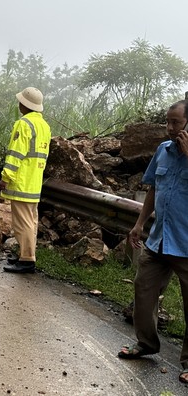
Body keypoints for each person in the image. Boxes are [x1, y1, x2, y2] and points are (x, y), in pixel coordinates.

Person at [117, 99, 188, 385]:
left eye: (176, 123)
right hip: (159, 240)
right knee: (142, 292)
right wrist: (139, 224)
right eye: (167, 122)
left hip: (186, 245)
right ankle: (146, 343)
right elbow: (153, 189)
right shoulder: (162, 151)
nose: (170, 128)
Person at [0, 87, 51, 274]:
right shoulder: (44, 126)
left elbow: (15, 154)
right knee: (31, 222)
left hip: (22, 181)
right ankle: (25, 255)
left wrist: (6, 177)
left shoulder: (23, 124)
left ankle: (27, 260)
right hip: (34, 182)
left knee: (23, 224)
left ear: (24, 105)